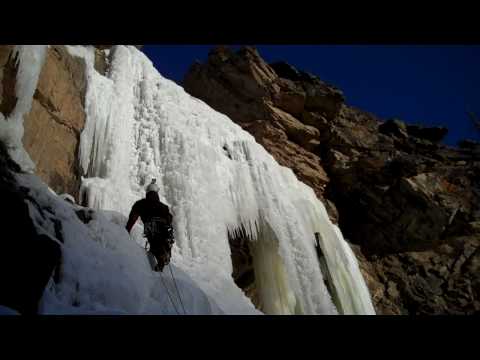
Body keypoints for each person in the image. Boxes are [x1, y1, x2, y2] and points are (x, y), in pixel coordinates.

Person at [126, 179, 174, 272]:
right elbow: (169, 220)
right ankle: (162, 257)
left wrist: (126, 231)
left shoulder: (140, 204)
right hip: (164, 232)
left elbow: (132, 219)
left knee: (154, 243)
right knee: (161, 243)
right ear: (156, 193)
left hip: (150, 229)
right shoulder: (164, 207)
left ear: (147, 192)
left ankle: (158, 258)